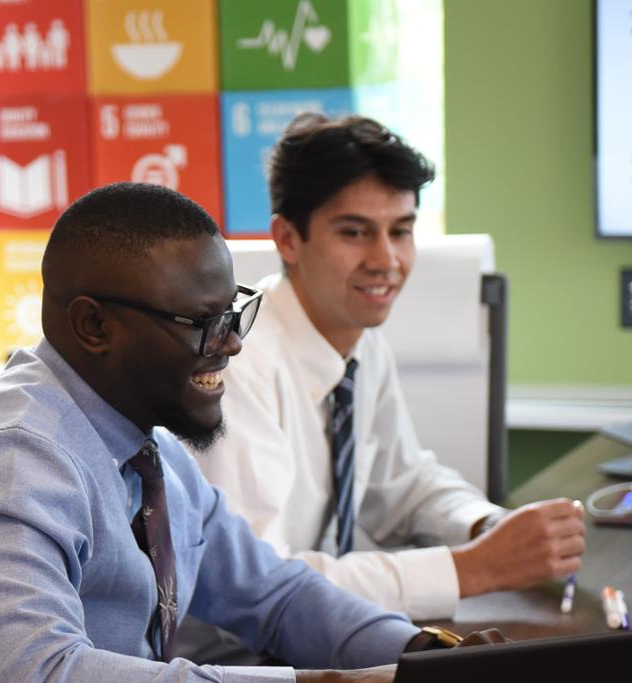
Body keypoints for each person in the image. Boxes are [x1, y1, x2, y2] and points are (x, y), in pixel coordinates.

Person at [0, 182, 501, 683]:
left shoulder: (145, 446)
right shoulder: (4, 463)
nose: (233, 343)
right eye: (200, 323)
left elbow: (275, 594)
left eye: (233, 312)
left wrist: (423, 656)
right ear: (93, 325)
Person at [194, 114, 586, 622]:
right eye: (355, 232)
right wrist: (474, 569)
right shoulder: (236, 368)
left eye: (401, 231)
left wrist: (487, 526)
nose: (386, 260)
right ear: (288, 239)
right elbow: (257, 585)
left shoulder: (360, 345)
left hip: (324, 641)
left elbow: (400, 483)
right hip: (233, 669)